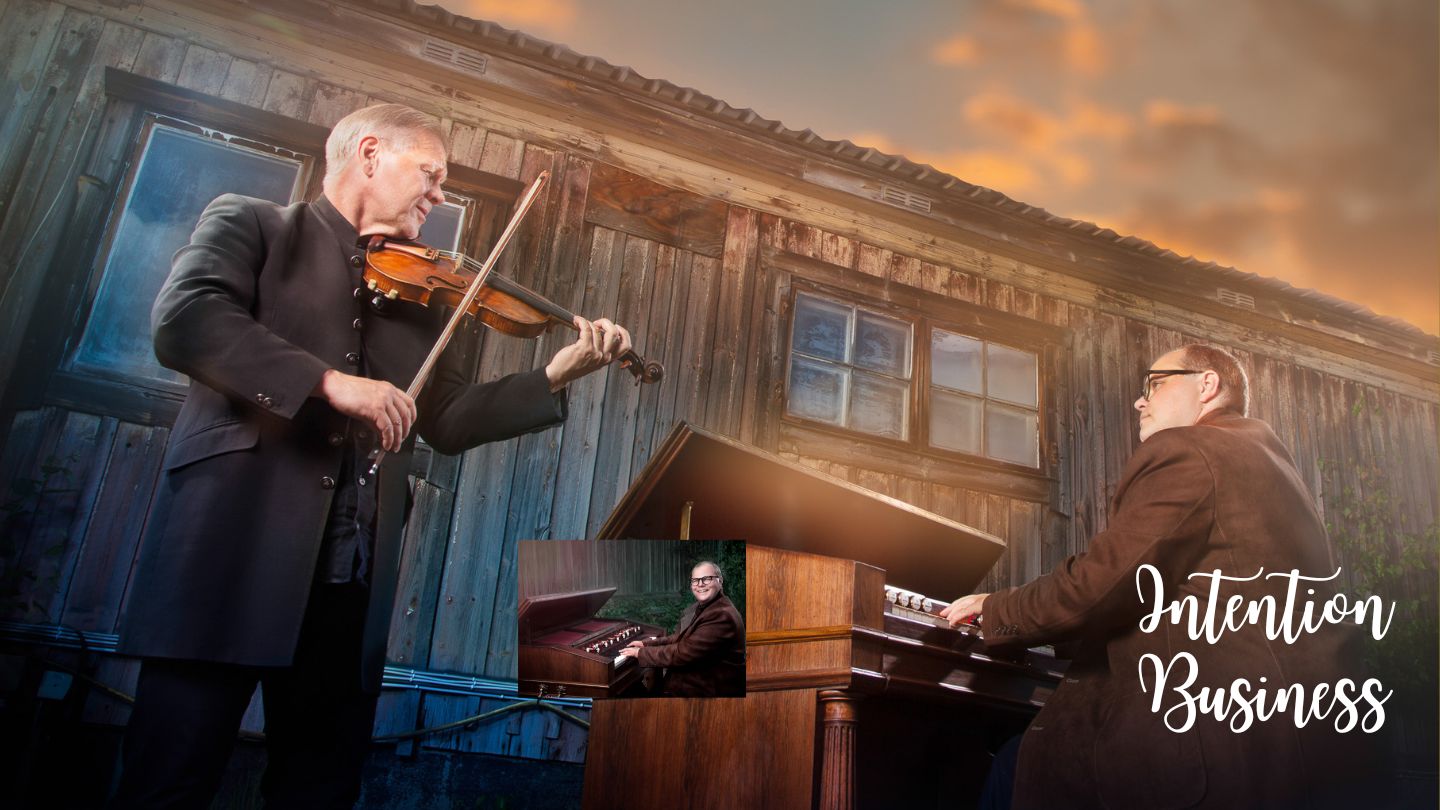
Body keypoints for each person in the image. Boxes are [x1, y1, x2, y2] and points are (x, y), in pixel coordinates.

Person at [112, 104, 631, 808]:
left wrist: (554, 375)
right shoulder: (254, 224)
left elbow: (443, 420)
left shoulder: (433, 297)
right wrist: (328, 383)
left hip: (348, 581)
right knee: (167, 782)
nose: (439, 195)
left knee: (318, 790)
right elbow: (186, 321)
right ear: (368, 154)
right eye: (431, 173)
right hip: (227, 556)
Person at [940, 344, 1385, 810]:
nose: (1140, 400)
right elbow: (1173, 600)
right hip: (1293, 750)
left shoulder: (1189, 449)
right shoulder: (1271, 466)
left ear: (1207, 385)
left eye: (1156, 383)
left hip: (1209, 751)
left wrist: (996, 609)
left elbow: (1102, 585)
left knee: (1020, 762)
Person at [618, 561, 745, 697]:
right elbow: (680, 638)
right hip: (697, 683)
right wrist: (646, 644)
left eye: (706, 579)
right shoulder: (707, 607)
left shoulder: (721, 615)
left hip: (708, 693)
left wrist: (641, 653)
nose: (700, 584)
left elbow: (683, 652)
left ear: (720, 581)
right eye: (695, 580)